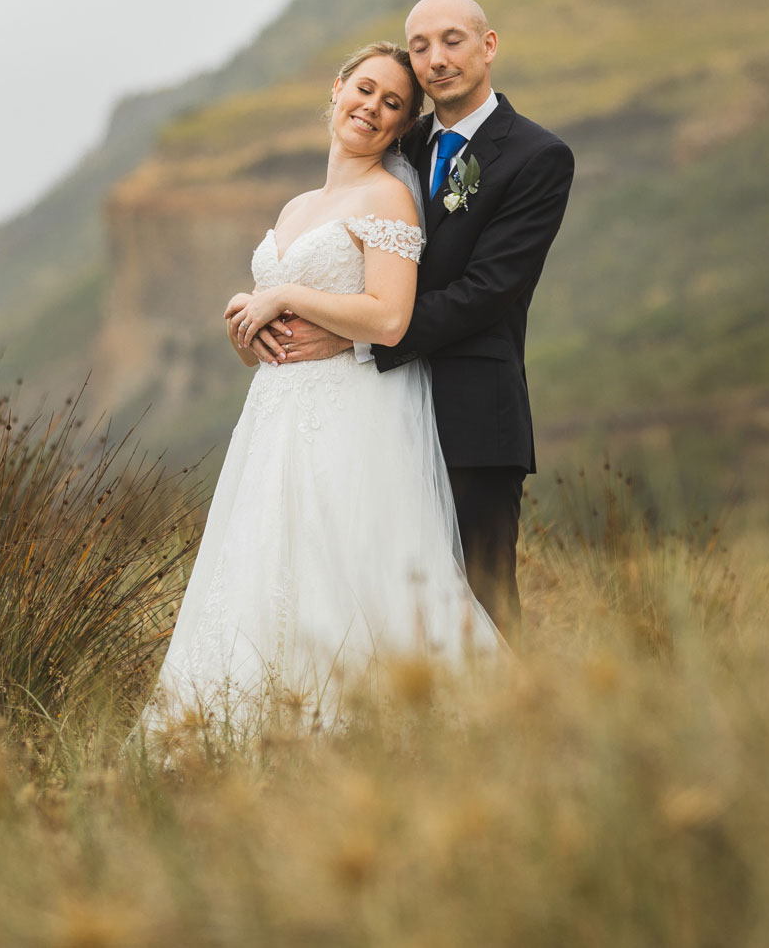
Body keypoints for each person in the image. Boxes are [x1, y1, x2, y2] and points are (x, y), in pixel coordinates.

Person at [142, 42, 501, 731]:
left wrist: (287, 295)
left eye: (393, 103)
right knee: (263, 564)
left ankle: (368, 725)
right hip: (274, 414)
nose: (372, 106)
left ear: (400, 127)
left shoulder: (388, 198)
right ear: (337, 88)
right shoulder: (297, 204)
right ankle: (248, 725)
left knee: (342, 566)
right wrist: (248, 329)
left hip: (348, 412)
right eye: (364, 89)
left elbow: (391, 318)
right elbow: (281, 331)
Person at [248, 0, 574, 635]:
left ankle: (522, 733)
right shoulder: (401, 138)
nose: (435, 58)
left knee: (479, 608)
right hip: (376, 418)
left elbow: (488, 290)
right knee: (377, 602)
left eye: (452, 40)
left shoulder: (536, 157)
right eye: (420, 45)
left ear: (489, 46)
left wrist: (354, 336)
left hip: (471, 416)